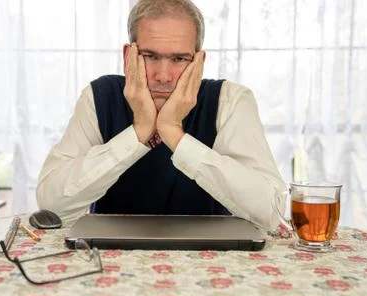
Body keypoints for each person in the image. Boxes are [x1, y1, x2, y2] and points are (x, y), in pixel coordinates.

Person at [36, 0, 286, 231]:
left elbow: (271, 213)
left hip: (210, 259)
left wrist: (173, 133)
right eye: (150, 56)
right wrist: (138, 132)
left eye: (179, 59)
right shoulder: (99, 97)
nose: (163, 76)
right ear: (128, 56)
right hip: (110, 260)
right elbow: (52, 206)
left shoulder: (230, 101)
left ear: (198, 62)